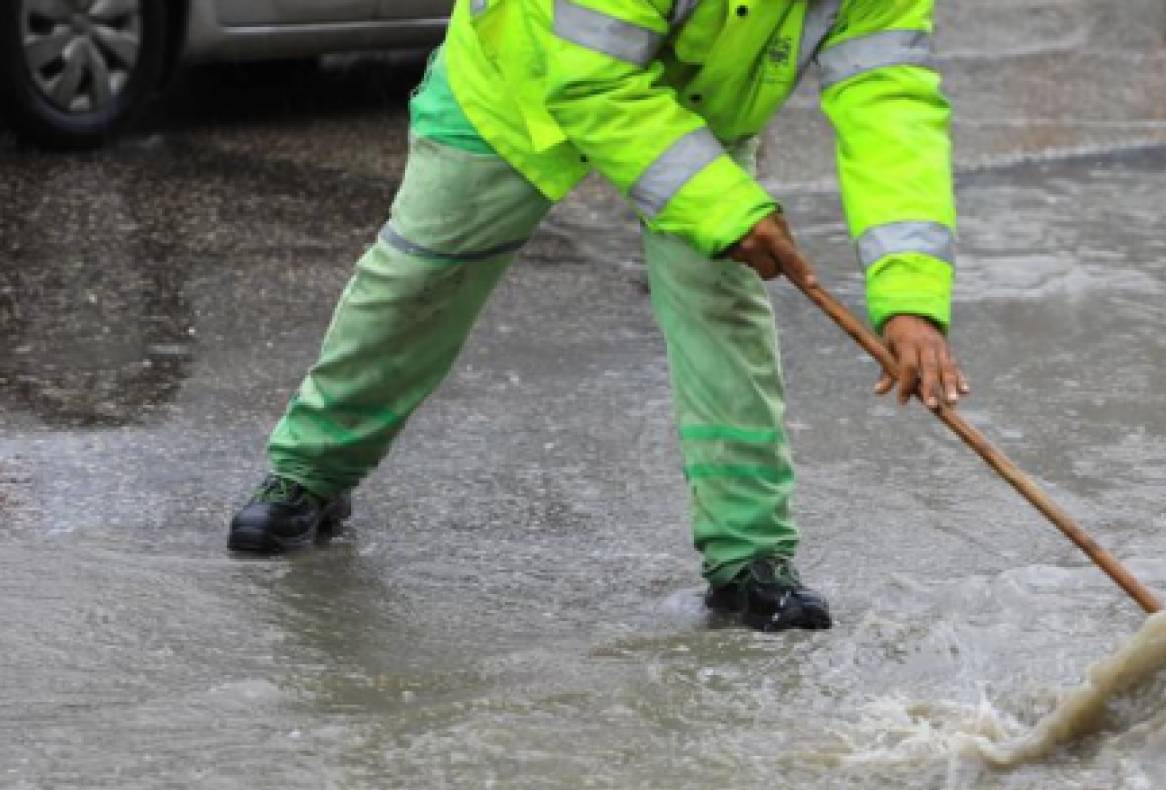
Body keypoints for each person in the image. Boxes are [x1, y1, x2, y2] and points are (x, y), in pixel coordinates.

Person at [227, 0, 966, 632]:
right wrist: (725, 207)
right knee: (417, 284)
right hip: (521, 82)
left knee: (722, 318)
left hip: (698, 111)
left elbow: (890, 105)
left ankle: (749, 560)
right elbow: (591, 79)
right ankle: (308, 474)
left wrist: (910, 301)